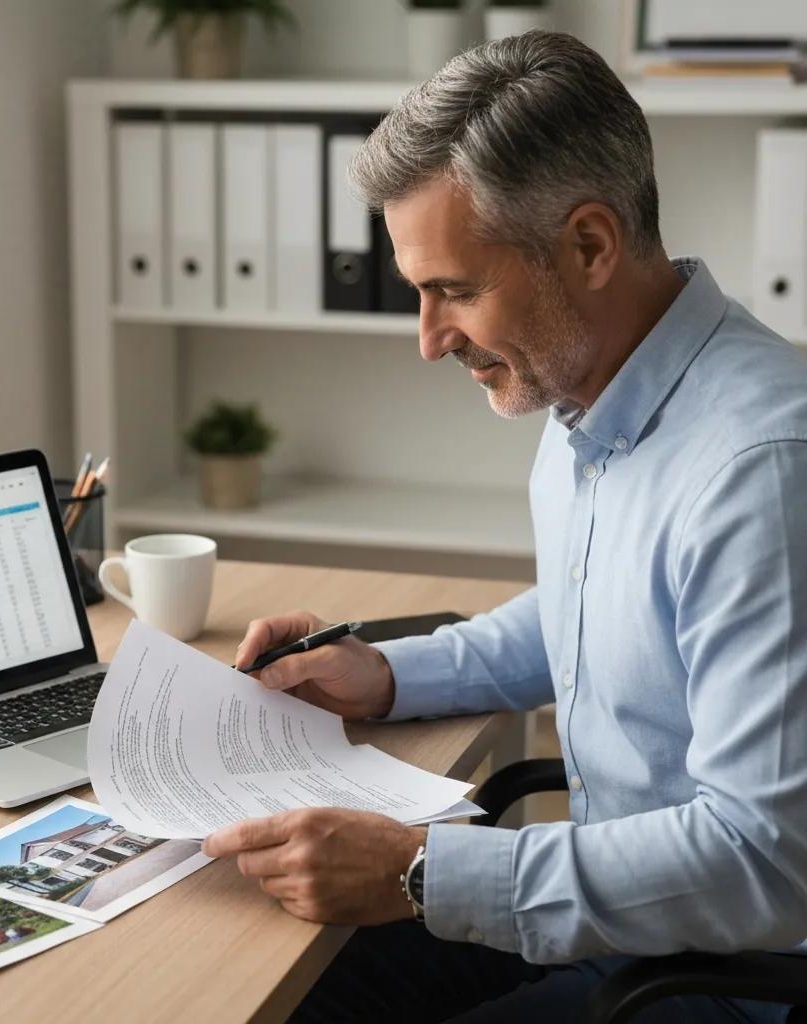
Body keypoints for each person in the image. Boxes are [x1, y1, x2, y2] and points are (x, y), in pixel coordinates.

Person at [200, 30, 807, 1024]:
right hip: (618, 926)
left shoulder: (757, 473)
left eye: (455, 290)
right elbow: (595, 613)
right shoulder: (589, 397)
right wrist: (389, 672)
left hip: (719, 980)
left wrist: (421, 869)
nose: (429, 338)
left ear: (589, 245)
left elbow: (763, 864)